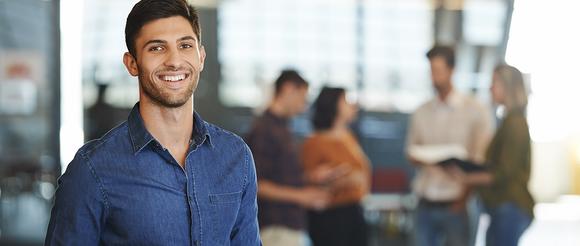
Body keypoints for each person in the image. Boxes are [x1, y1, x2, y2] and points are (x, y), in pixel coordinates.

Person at [45, 0, 261, 245]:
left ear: (201, 57)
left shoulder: (235, 156)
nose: (175, 61)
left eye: (185, 45)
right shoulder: (93, 170)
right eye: (157, 48)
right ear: (132, 63)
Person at [406, 45, 493, 246]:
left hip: (457, 203)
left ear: (452, 70)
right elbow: (411, 151)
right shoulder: (421, 111)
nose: (433, 77)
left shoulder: (476, 111)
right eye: (431, 71)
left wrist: (463, 198)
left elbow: (480, 158)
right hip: (425, 202)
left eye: (438, 71)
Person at [451, 64, 535, 246]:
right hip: (501, 207)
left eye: (494, 82)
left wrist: (468, 177)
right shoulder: (507, 121)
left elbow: (503, 173)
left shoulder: (515, 124)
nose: (490, 88)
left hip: (510, 205)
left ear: (508, 86)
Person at [246, 70, 331, 246]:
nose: (304, 105)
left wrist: (310, 177)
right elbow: (256, 184)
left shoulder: (282, 128)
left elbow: (281, 176)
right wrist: (301, 196)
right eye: (302, 97)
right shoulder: (264, 130)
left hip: (289, 226)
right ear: (288, 89)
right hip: (275, 226)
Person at [301, 87, 371, 246]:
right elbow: (307, 181)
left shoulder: (349, 137)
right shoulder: (315, 142)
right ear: (333, 105)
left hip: (354, 211)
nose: (352, 105)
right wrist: (340, 180)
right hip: (331, 217)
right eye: (345, 100)